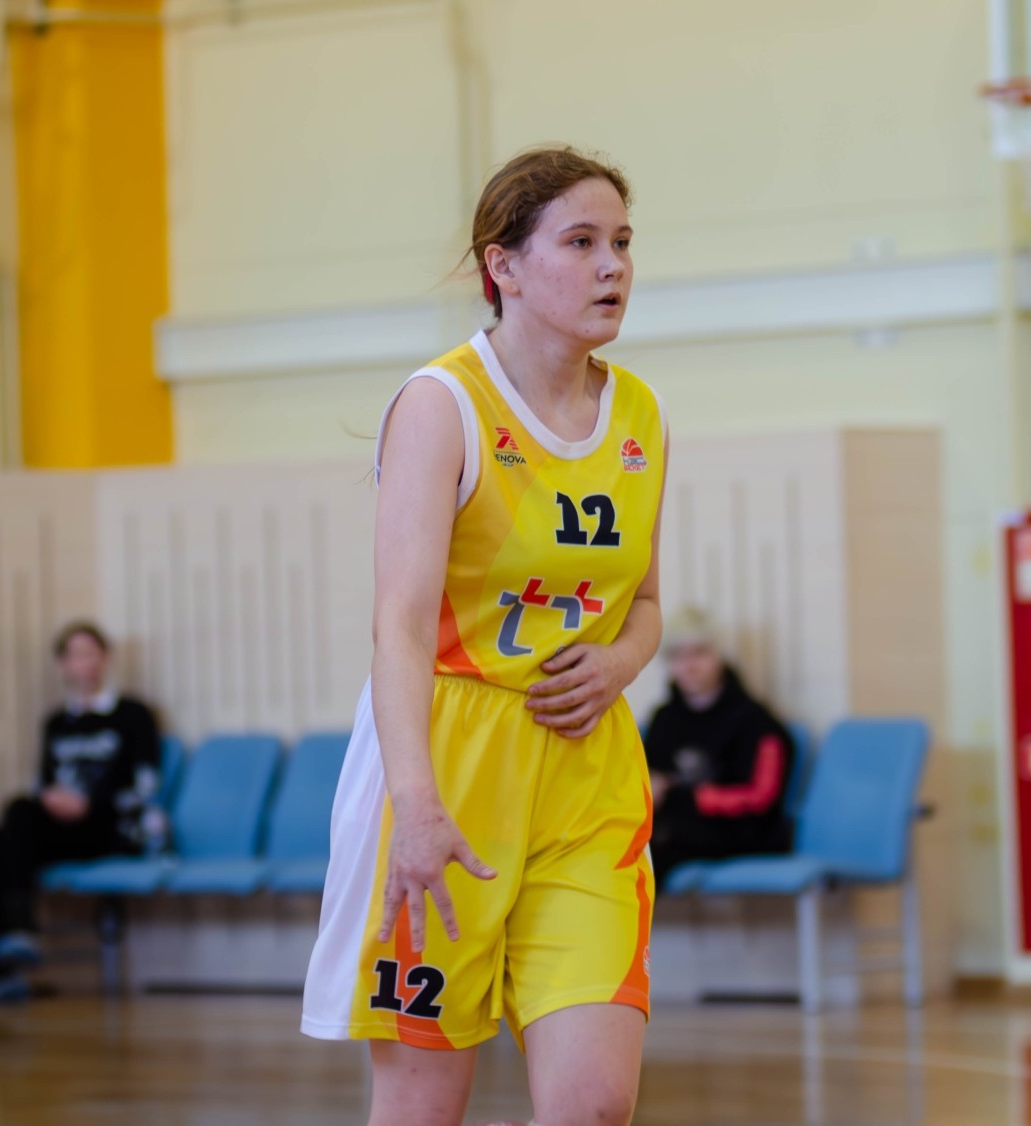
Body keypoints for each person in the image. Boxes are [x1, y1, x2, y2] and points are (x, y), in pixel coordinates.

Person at [300, 146, 665, 1126]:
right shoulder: (442, 404)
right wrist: (415, 805)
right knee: (422, 1107)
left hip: (585, 777)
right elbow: (398, 626)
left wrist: (619, 661)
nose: (612, 266)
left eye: (622, 242)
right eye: (580, 242)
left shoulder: (640, 413)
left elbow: (644, 604)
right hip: (448, 765)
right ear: (503, 266)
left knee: (595, 1104)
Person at [0, 622, 163, 1005]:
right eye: (76, 655)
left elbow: (145, 780)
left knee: (6, 836)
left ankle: (2, 964)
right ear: (62, 665)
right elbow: (46, 780)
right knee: (6, 831)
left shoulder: (133, 714)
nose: (85, 663)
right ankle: (15, 939)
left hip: (111, 825)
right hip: (65, 826)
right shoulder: (56, 722)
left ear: (105, 659)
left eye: (92, 653)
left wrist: (89, 803)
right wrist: (53, 799)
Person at [644, 607, 795, 891]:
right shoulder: (663, 719)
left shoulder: (756, 722)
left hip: (741, 834)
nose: (688, 665)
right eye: (677, 655)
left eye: (699, 653)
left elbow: (760, 799)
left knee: (654, 849)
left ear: (720, 655)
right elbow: (644, 780)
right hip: (677, 829)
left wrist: (678, 795)